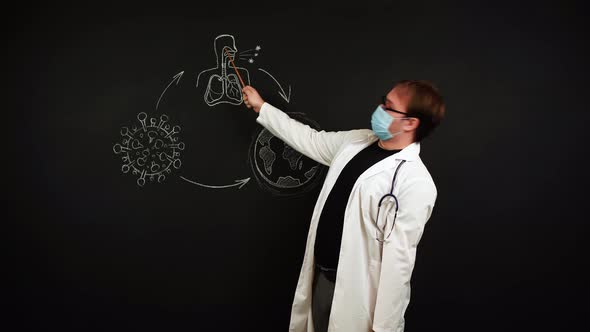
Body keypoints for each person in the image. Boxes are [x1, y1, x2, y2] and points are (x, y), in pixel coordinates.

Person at [242, 80, 445, 332]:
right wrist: (263, 108)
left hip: (358, 297)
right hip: (321, 279)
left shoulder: (414, 182)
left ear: (410, 122)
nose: (379, 109)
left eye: (389, 106)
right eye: (384, 100)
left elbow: (399, 264)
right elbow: (311, 140)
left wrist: (387, 327)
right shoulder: (357, 141)